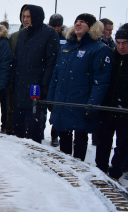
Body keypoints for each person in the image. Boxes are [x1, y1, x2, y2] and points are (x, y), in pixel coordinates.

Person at [47, 13, 112, 161]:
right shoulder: (67, 47)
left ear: (92, 27)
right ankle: (63, 170)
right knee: (63, 140)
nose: (78, 24)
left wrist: (92, 106)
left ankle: (78, 173)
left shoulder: (99, 49)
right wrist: (51, 98)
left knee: (80, 141)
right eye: (76, 21)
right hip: (63, 102)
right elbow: (56, 75)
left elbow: (101, 81)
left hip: (81, 103)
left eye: (83, 22)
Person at [12, 5, 59, 143]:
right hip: (20, 86)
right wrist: (12, 80)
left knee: (34, 127)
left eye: (29, 16)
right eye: (24, 16)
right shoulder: (22, 34)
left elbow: (52, 61)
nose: (25, 19)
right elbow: (16, 60)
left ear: (37, 17)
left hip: (36, 87)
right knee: (18, 127)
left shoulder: (49, 33)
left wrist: (45, 84)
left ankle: (33, 156)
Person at [95, 24, 128, 180]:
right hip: (107, 108)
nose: (121, 46)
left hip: (125, 112)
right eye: (119, 42)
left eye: (125, 43)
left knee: (122, 145)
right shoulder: (111, 58)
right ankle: (100, 170)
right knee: (103, 142)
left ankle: (115, 173)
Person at [48, 13, 68, 147]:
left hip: (61, 75)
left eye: (58, 26)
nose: (55, 29)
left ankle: (56, 135)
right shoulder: (47, 37)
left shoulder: (66, 39)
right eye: (53, 26)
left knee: (59, 108)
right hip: (49, 74)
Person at [5, 23, 24, 135]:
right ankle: (9, 128)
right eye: (25, 16)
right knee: (11, 106)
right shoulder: (14, 36)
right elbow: (9, 58)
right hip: (14, 76)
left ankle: (25, 132)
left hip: (31, 78)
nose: (26, 19)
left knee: (28, 108)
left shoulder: (42, 35)